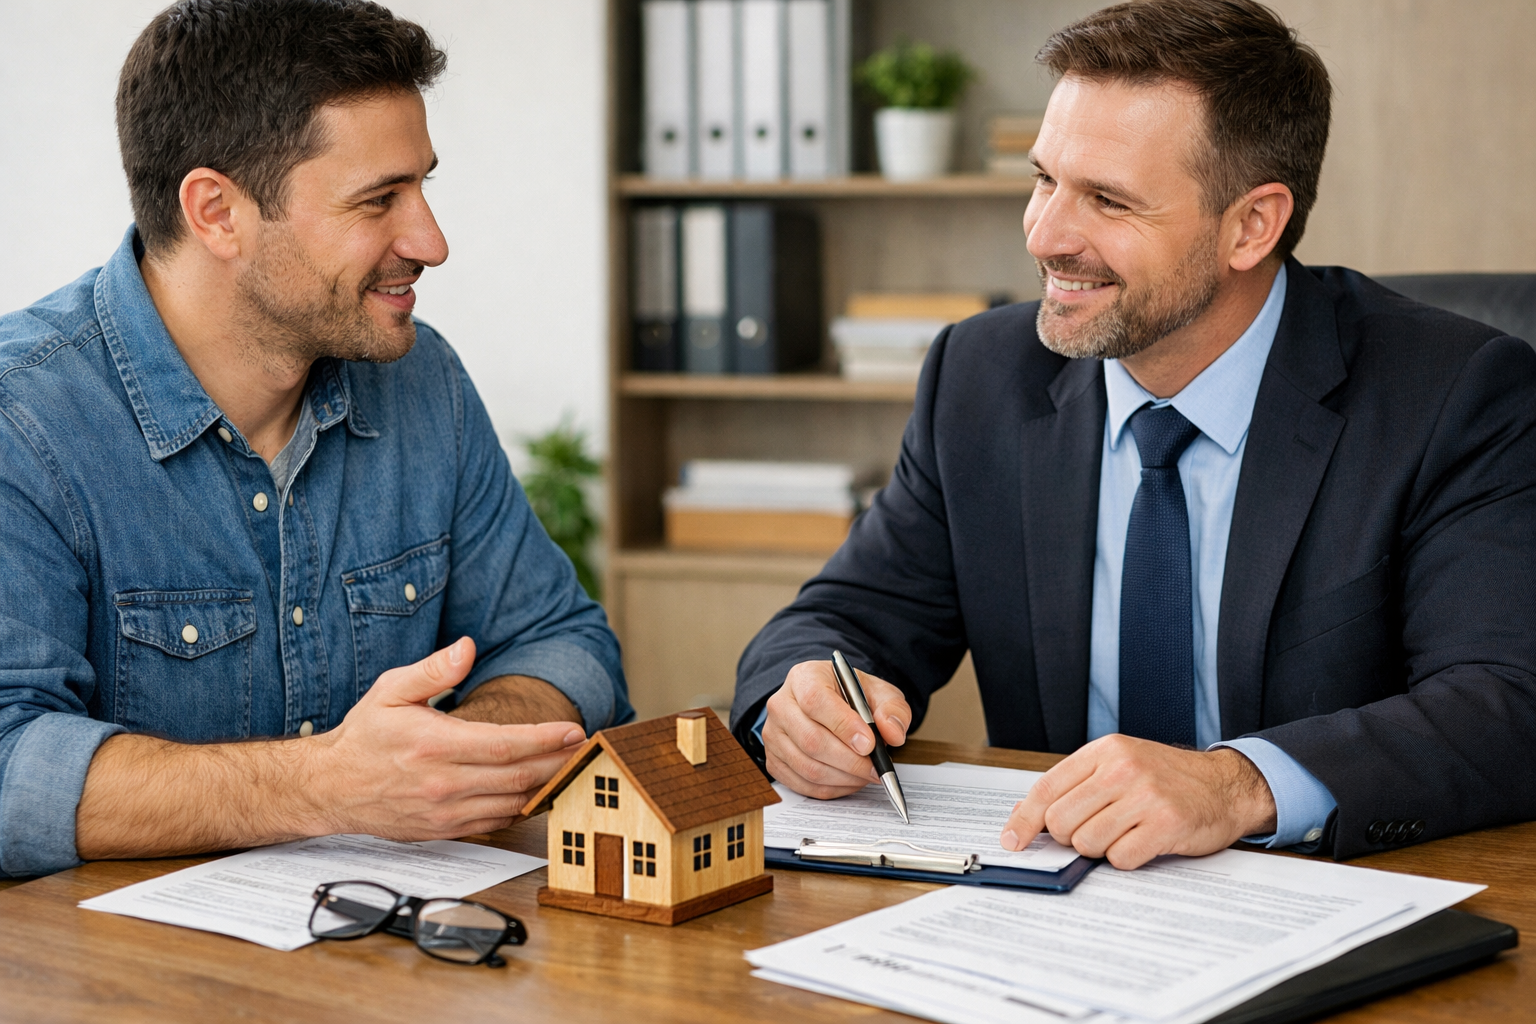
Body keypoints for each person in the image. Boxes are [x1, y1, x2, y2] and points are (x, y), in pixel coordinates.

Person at [732, 0, 1536, 868]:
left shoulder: (1455, 393)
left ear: (1251, 225)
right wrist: (800, 693)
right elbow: (850, 614)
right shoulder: (981, 375)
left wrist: (1235, 784)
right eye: (1045, 179)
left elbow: (1506, 701)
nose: (1045, 235)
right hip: (1054, 906)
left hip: (1334, 901)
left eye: (1108, 200)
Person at [0, 0, 631, 879]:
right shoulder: (21, 422)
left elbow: (566, 643)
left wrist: (451, 753)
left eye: (423, 188)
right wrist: (324, 786)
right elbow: (5, 763)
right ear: (216, 212)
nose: (431, 242)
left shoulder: (422, 381)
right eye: (379, 200)